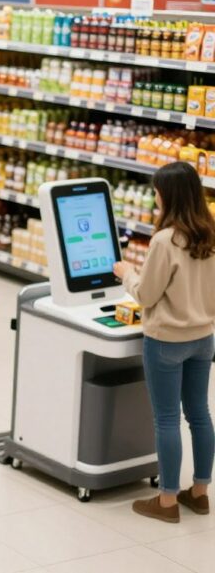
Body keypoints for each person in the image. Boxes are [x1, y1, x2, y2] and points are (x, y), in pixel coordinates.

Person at [113, 161, 215, 523]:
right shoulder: (210, 232)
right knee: (199, 414)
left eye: (156, 192)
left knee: (167, 419)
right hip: (204, 337)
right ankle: (200, 493)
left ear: (168, 196)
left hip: (166, 341)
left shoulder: (165, 240)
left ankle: (167, 501)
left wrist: (127, 274)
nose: (155, 198)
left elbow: (147, 295)